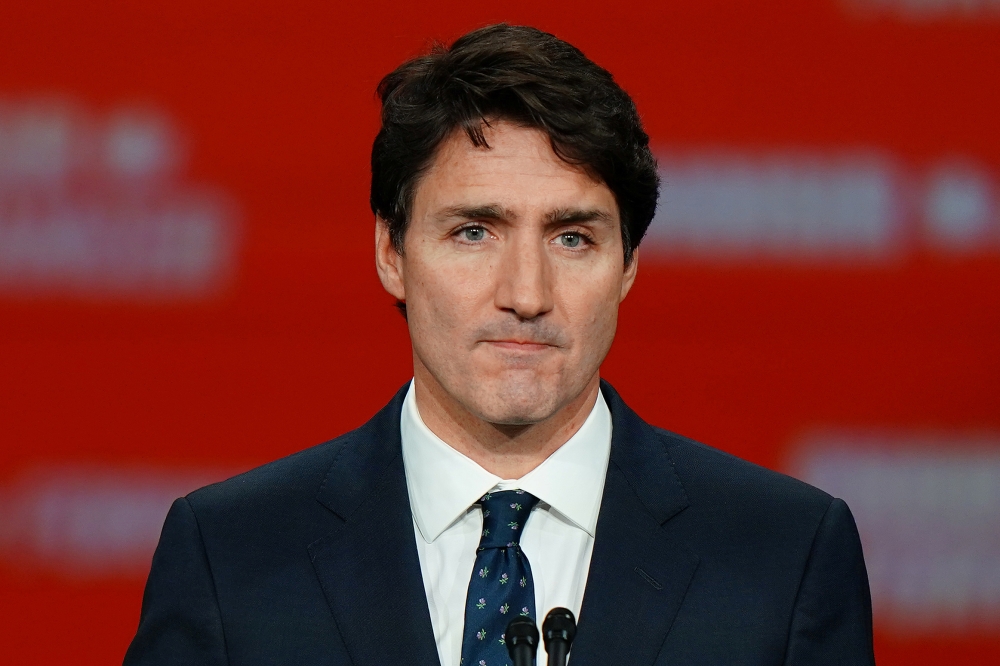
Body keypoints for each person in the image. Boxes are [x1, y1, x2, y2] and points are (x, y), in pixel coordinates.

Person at [124, 24, 874, 666]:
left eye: (573, 237)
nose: (525, 293)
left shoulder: (786, 554)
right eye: (474, 231)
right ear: (392, 250)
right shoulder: (233, 556)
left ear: (629, 265)